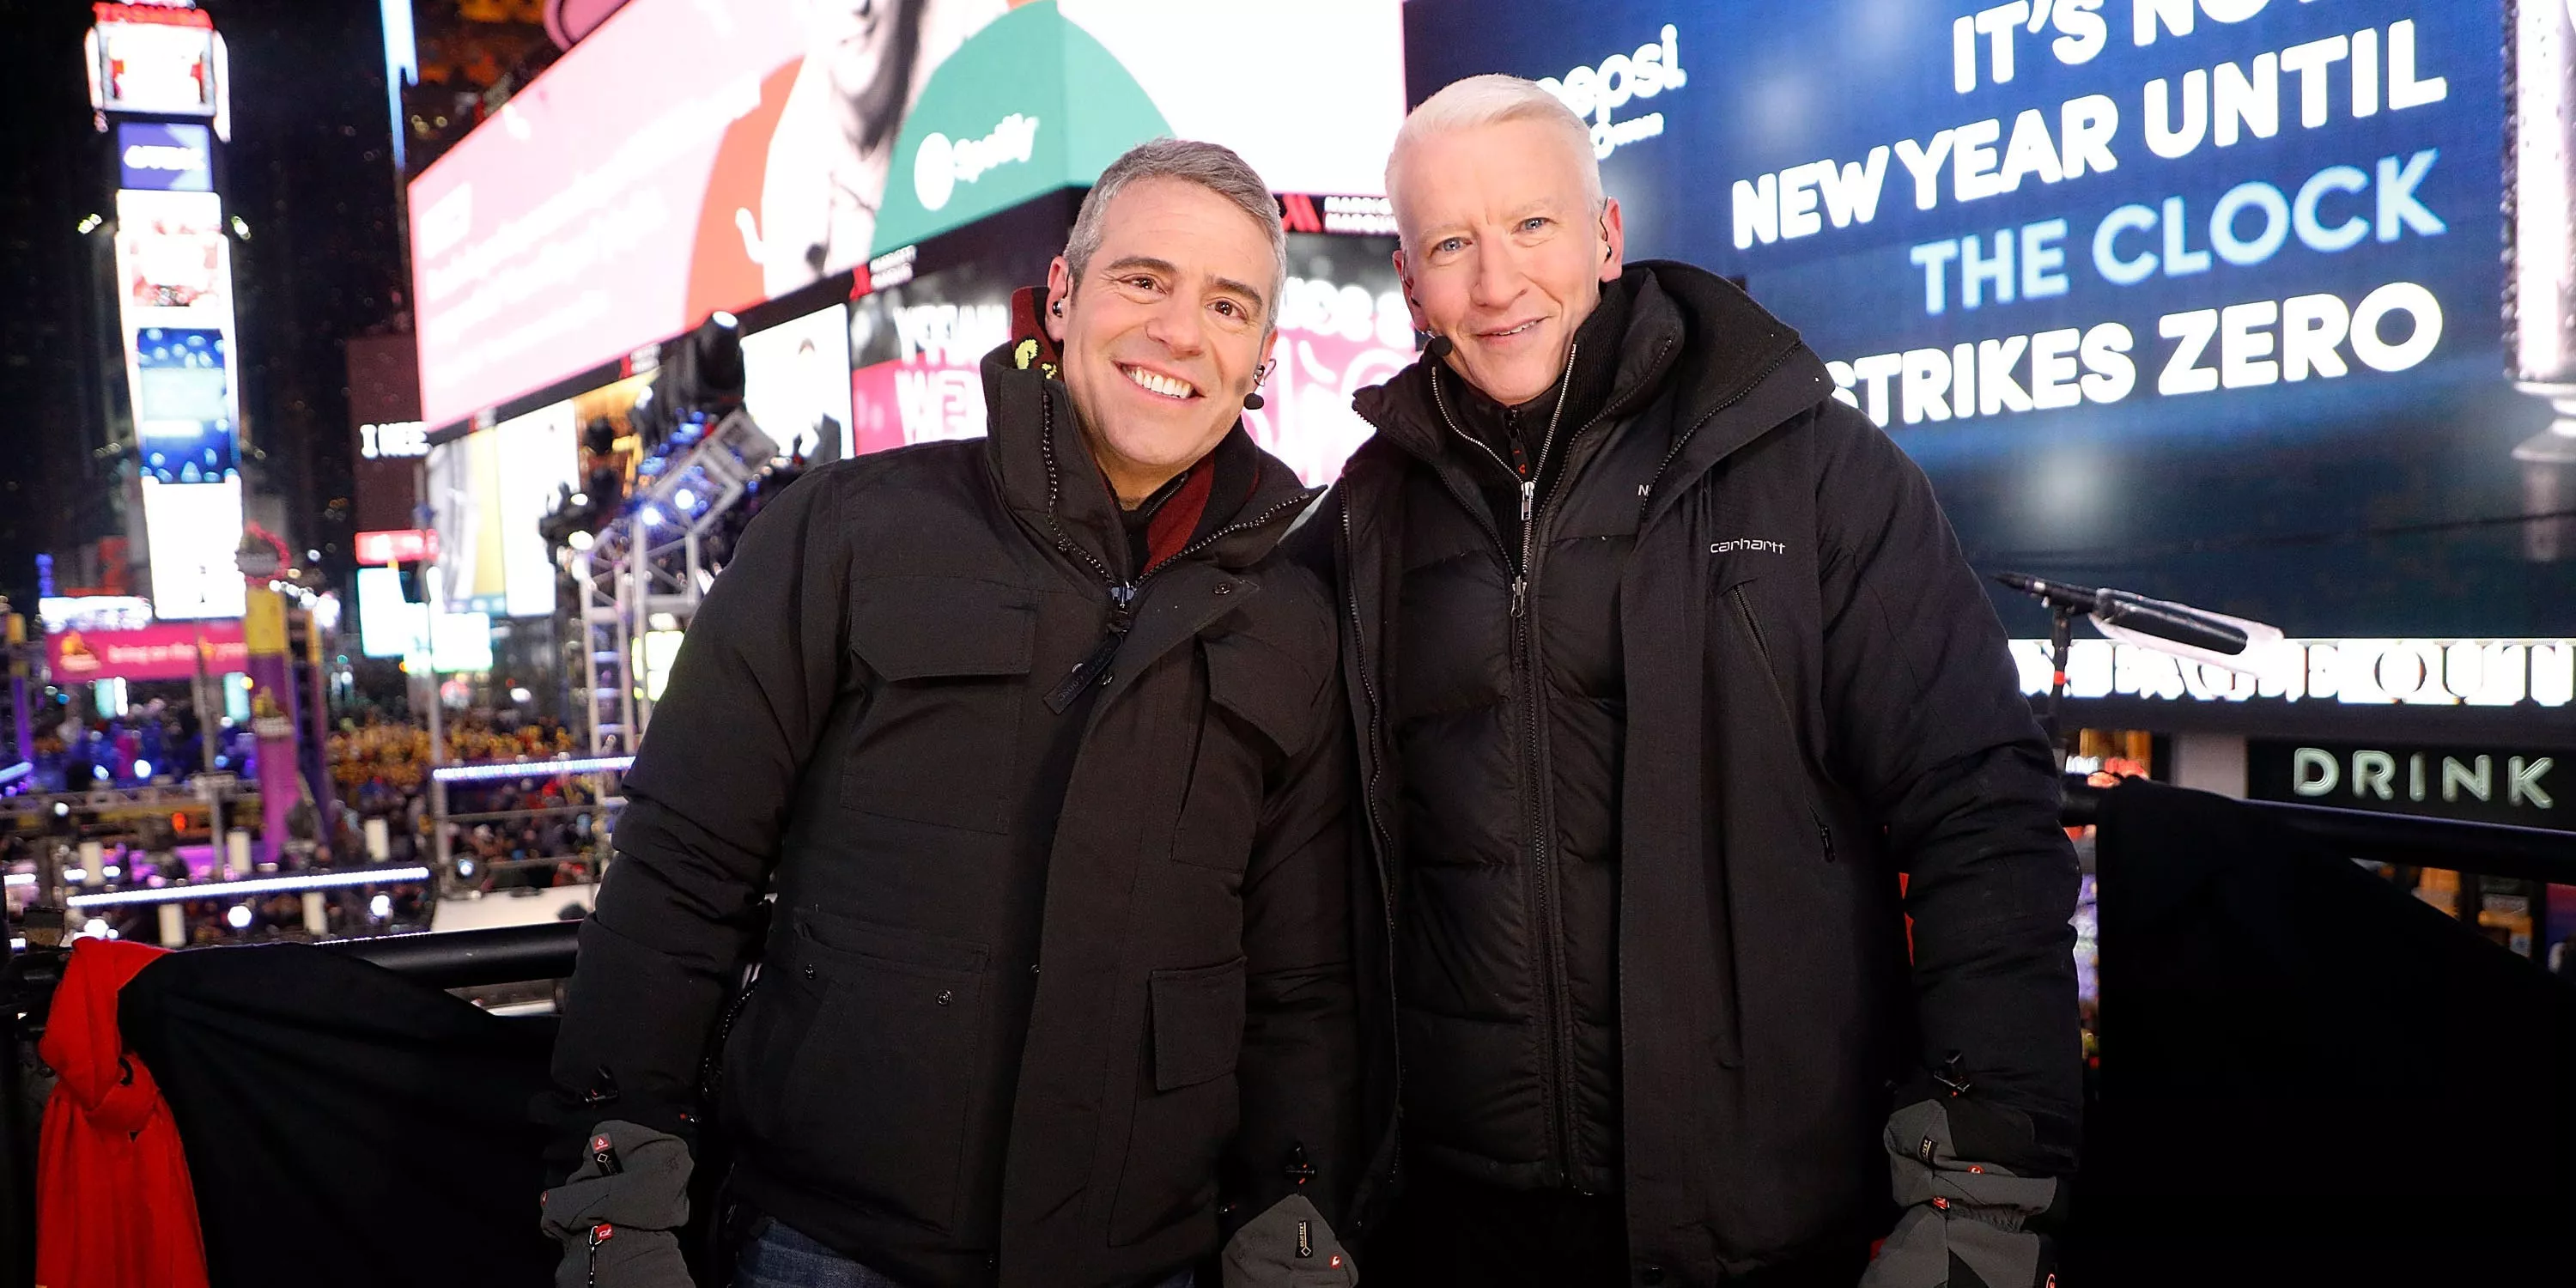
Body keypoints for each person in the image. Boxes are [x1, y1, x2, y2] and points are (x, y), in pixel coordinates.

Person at [544, 139, 1368, 1288]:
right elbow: (681, 872)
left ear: (1261, 356)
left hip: (1149, 1258)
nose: (1182, 330)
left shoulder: (1296, 621)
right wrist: (616, 1191)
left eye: (1228, 304)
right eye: (1144, 279)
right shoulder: (843, 534)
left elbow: (1300, 978)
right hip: (828, 1251)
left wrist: (1294, 1205)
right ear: (1065, 298)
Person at [1334, 77, 2083, 1287]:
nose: (1496, 281)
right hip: (1453, 1226)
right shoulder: (1368, 516)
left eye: (1531, 225)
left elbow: (1980, 813)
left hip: (1768, 1216)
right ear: (1412, 281)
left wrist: (1985, 1182)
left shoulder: (1809, 467)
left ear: (1606, 237)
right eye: (1452, 244)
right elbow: (1309, 883)